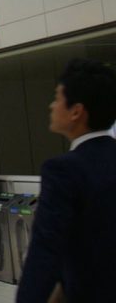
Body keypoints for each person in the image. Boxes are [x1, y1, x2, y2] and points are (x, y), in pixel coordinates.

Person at [17, 59, 116, 303]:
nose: (52, 106)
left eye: (57, 98)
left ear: (76, 111)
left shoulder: (63, 170)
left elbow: (46, 249)